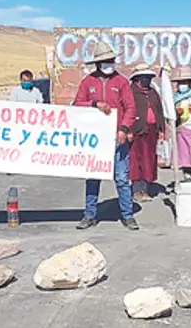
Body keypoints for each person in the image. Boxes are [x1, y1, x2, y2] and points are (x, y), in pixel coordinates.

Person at [71, 43, 139, 230]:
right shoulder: (88, 82)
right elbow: (76, 105)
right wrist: (94, 104)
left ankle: (127, 214)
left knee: (122, 178)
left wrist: (124, 129)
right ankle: (90, 214)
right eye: (106, 61)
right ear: (98, 63)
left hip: (118, 138)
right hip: (95, 141)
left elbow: (131, 107)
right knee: (93, 177)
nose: (110, 63)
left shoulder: (122, 82)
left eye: (112, 60)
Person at [128, 63, 165, 202]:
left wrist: (161, 129)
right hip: (136, 131)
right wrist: (128, 130)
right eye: (144, 77)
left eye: (149, 78)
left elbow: (159, 111)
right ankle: (136, 190)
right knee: (136, 161)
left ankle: (145, 189)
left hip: (151, 131)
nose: (147, 80)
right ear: (137, 79)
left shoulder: (153, 92)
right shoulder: (131, 92)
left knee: (148, 160)